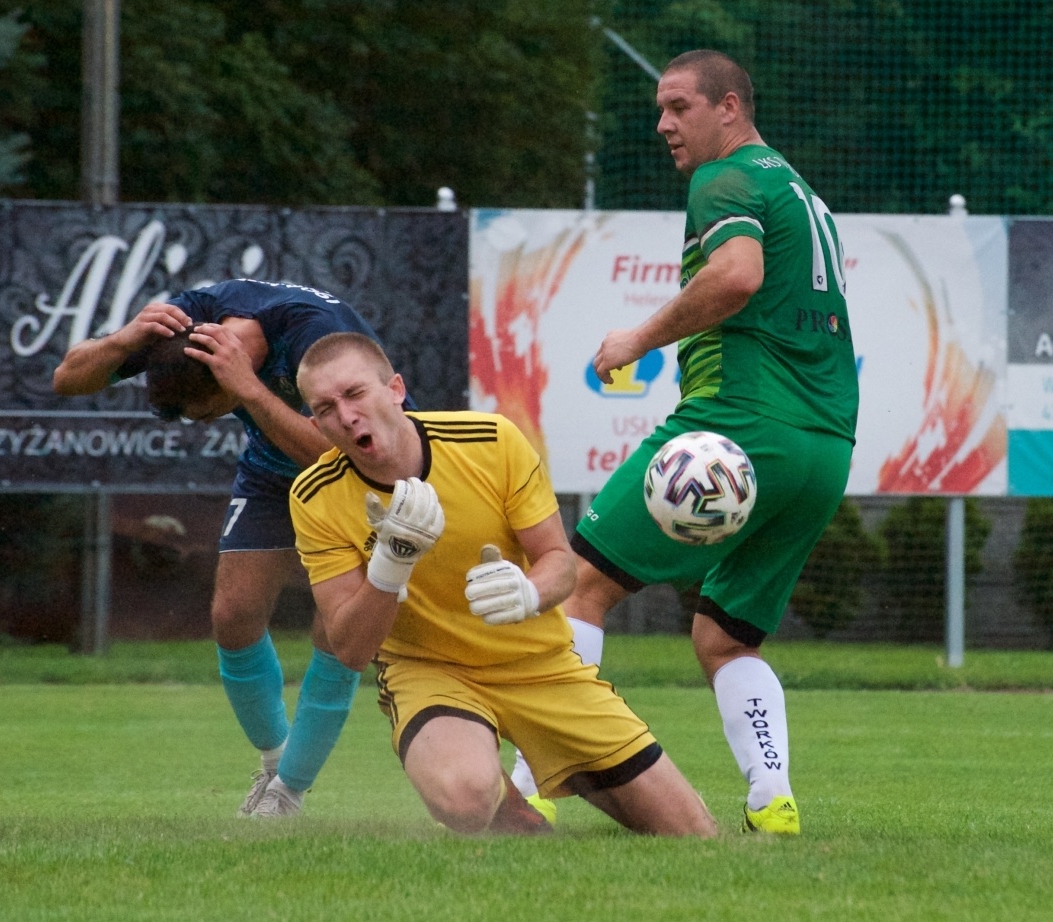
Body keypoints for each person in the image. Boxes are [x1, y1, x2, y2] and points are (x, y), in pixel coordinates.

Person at [510, 49, 859, 835]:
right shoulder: (797, 188)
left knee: (579, 584)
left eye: (679, 107)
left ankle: (531, 786)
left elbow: (736, 276)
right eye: (660, 110)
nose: (664, 125)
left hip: (739, 423)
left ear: (729, 107)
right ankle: (772, 801)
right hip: (824, 448)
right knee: (725, 637)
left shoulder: (722, 178)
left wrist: (637, 338)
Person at [289, 331, 717, 837]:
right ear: (316, 424)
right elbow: (351, 649)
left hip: (541, 664)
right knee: (465, 797)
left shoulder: (492, 440)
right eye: (326, 408)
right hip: (429, 671)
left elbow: (560, 563)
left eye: (355, 393)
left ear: (396, 389)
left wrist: (527, 593)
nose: (345, 415)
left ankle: (575, 775)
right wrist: (390, 565)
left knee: (692, 834)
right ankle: (520, 820)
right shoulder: (314, 497)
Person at [52, 278, 402, 817]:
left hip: (367, 472)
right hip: (271, 471)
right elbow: (66, 380)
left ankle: (288, 793)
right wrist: (123, 340)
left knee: (337, 631)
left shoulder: (316, 337)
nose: (205, 421)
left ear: (226, 380)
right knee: (233, 617)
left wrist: (250, 390)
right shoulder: (193, 323)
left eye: (208, 411)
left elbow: (348, 457)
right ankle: (275, 766)